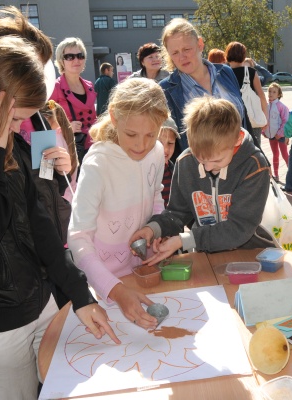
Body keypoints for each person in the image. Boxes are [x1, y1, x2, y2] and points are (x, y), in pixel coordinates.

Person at [0, 36, 118, 399]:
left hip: (43, 306)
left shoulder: (11, 143)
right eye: (15, 119)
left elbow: (42, 228)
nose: (19, 129)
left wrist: (80, 295)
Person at [68, 78, 167, 329]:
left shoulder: (156, 151)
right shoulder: (97, 164)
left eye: (151, 135)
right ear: (114, 117)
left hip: (142, 272)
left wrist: (157, 235)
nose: (141, 145)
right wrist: (115, 290)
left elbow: (156, 199)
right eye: (131, 134)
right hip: (105, 286)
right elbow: (78, 237)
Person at [0, 6, 78, 247]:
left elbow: (46, 183)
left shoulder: (40, 118)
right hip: (12, 251)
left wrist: (61, 170)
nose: (38, 79)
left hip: (47, 242)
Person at [130, 97, 271, 266]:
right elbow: (177, 213)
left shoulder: (254, 166)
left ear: (238, 139)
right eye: (201, 160)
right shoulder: (186, 162)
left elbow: (239, 228)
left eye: (217, 160)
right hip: (206, 257)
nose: (208, 167)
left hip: (251, 255)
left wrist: (185, 240)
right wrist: (153, 229)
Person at [159, 18, 246, 159]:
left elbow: (244, 118)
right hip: (202, 173)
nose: (182, 57)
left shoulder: (225, 72)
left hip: (241, 165)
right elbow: (171, 142)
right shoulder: (165, 90)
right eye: (175, 53)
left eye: (187, 49)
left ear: (200, 44)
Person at [50, 37, 97, 161]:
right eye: (70, 57)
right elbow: (44, 121)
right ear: (61, 61)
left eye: (80, 56)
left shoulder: (89, 85)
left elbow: (92, 118)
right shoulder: (54, 87)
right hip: (69, 149)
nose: (76, 60)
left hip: (93, 146)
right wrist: (67, 126)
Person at [225, 41, 268, 147]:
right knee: (254, 149)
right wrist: (265, 118)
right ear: (243, 56)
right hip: (252, 119)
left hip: (231, 120)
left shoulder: (224, 73)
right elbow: (261, 96)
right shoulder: (251, 72)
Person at [264, 82, 289, 182]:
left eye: (274, 92)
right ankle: (276, 175)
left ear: (279, 94)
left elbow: (285, 121)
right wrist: (264, 132)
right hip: (271, 136)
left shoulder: (281, 106)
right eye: (270, 91)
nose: (271, 93)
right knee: (275, 155)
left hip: (281, 136)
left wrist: (280, 133)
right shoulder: (266, 105)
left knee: (284, 155)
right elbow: (265, 120)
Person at [159, 117, 180, 207]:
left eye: (170, 143)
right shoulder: (144, 170)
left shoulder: (175, 170)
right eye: (160, 143)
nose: (166, 149)